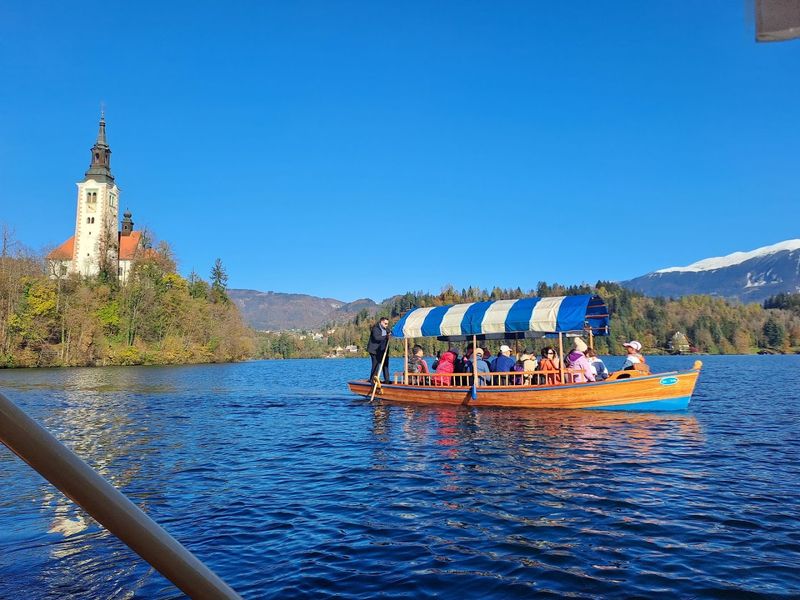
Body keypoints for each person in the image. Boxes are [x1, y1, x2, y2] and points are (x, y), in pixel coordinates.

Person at [367, 317, 391, 384]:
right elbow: (377, 338)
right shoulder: (375, 329)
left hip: (383, 350)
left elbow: (391, 332)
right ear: (381, 322)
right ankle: (373, 380)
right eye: (385, 323)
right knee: (376, 365)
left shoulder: (387, 329)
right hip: (374, 351)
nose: (386, 325)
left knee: (385, 365)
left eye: (387, 324)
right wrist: (386, 336)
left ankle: (387, 381)